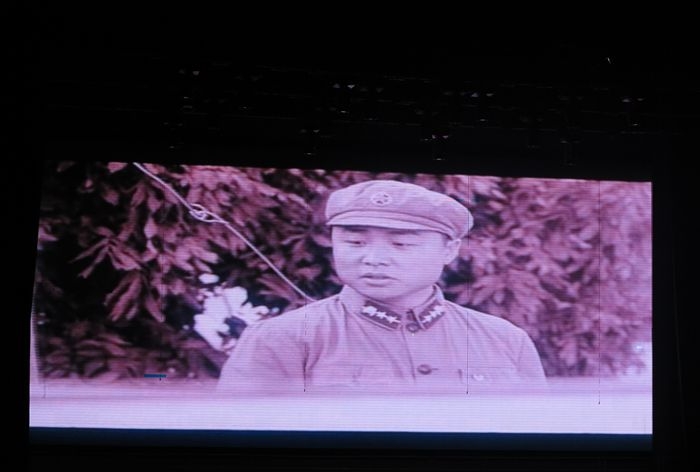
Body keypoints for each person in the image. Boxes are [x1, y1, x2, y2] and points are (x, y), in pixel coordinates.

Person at [217, 180, 546, 394]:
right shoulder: (284, 338)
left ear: (449, 250)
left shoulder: (504, 339)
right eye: (355, 242)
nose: (374, 259)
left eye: (401, 244)